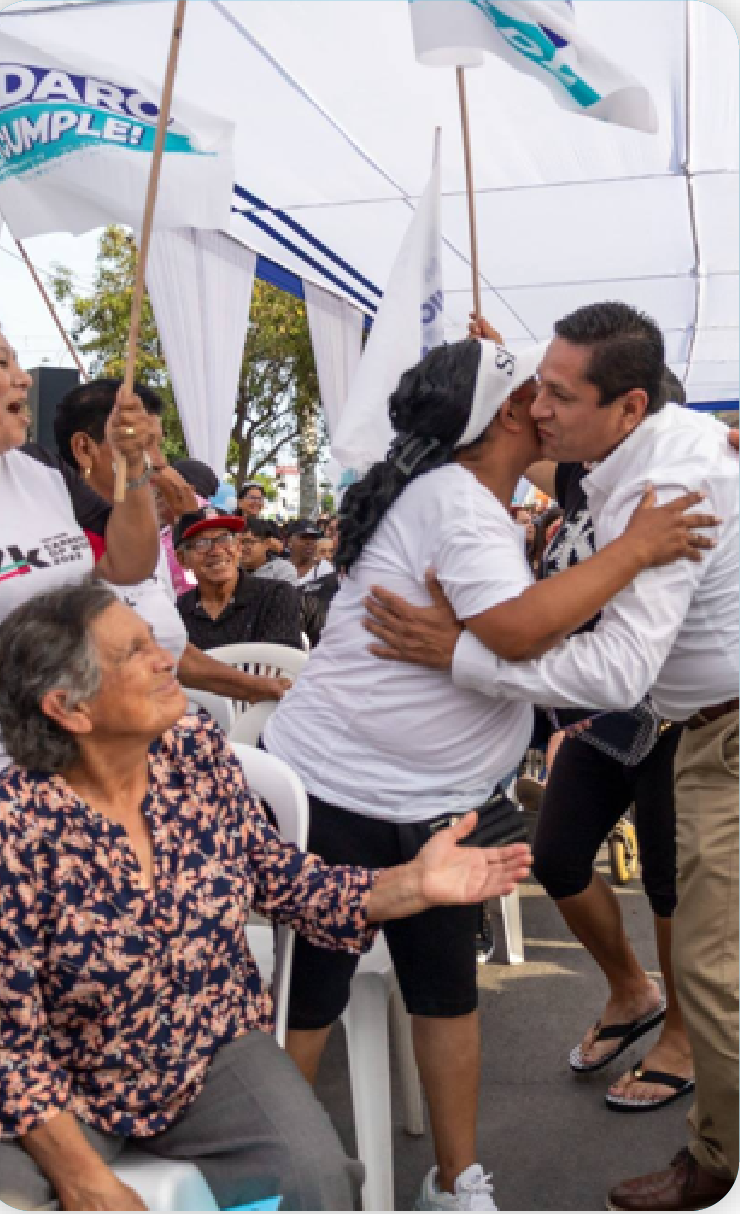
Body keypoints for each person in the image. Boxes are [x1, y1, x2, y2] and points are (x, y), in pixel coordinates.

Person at [262, 336, 714, 1212]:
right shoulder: (458, 505)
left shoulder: (466, 493)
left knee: (443, 993)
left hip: (426, 802)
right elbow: (516, 633)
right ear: (508, 413)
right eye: (533, 394)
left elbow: (501, 630)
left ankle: (453, 1180)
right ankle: (282, 1186)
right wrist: (635, 550)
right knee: (314, 999)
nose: (547, 407)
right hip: (343, 795)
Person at [0, 580, 532, 1212]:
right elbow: (11, 1039)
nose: (166, 657)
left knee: (317, 1181)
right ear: (70, 709)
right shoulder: (9, 829)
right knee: (14, 1196)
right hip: (74, 1078)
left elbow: (281, 879)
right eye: (134, 652)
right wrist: (83, 1178)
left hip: (213, 1049)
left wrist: (409, 884)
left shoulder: (193, 749)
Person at [0, 313, 159, 788]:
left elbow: (129, 565)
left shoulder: (40, 469)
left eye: (17, 360)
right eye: (0, 362)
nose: (22, 377)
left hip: (87, 752)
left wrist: (134, 464)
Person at [53, 379, 290, 706]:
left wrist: (260, 687)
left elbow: (172, 649)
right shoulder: (57, 544)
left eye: (157, 446)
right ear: (84, 448)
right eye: (142, 446)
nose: (159, 463)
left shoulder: (144, 536)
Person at [175, 508, 303, 651]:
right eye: (202, 543)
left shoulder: (275, 595)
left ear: (239, 546)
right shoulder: (177, 611)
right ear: (182, 558)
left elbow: (280, 663)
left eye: (225, 539)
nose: (217, 551)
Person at [239, 518, 300, 586]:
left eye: (248, 542)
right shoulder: (232, 568)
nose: (241, 547)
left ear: (267, 544)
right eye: (237, 542)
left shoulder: (282, 569)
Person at [287, 519, 336, 585]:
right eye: (304, 537)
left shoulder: (324, 569)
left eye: (314, 538)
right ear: (289, 541)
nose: (310, 542)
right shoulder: (277, 568)